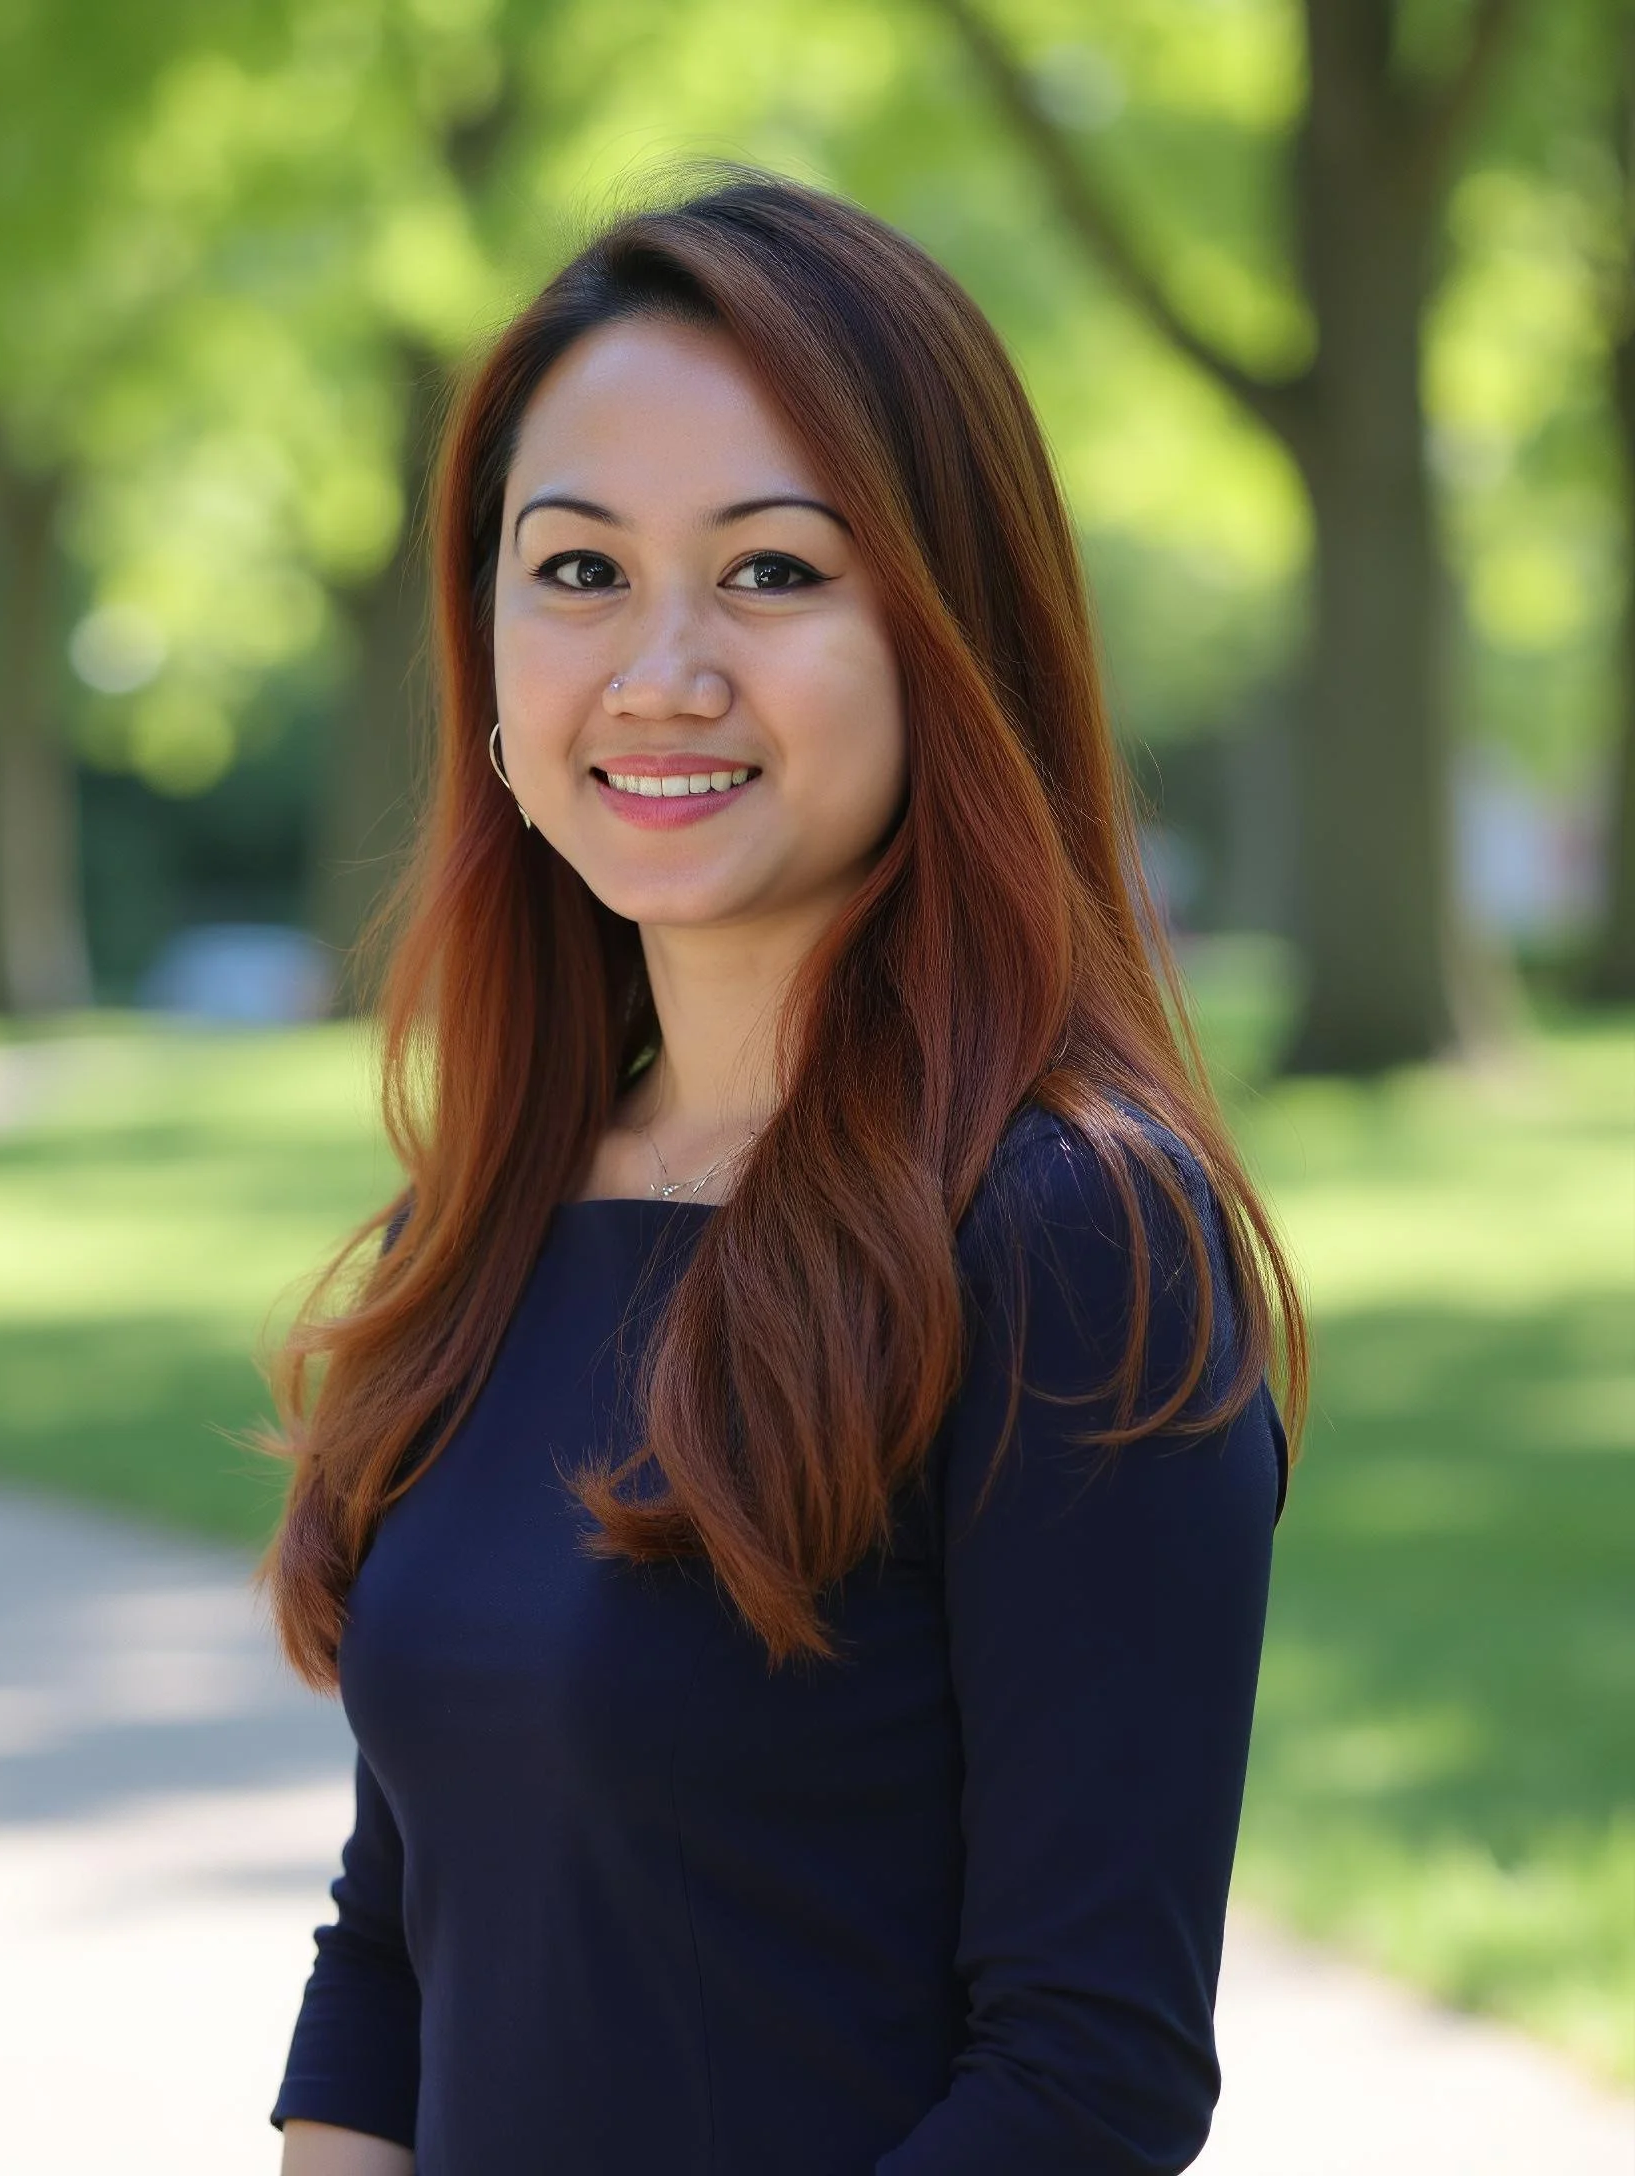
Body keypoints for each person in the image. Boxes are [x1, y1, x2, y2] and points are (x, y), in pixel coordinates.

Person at [257, 166, 1306, 2176]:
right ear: (482, 669)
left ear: (946, 635)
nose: (660, 670)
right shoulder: (483, 1226)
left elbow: (1084, 2078)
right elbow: (399, 1938)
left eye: (768, 572)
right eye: (575, 572)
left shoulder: (1073, 1234)